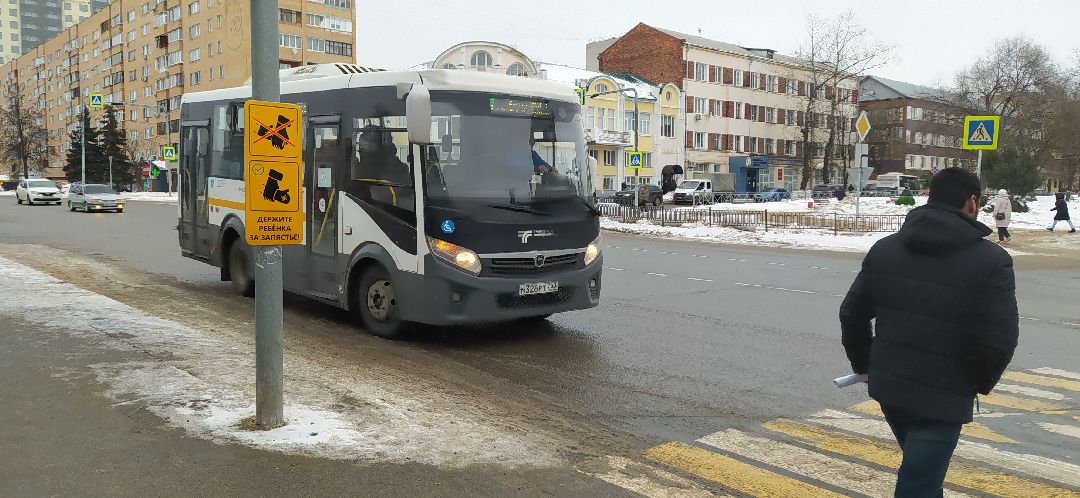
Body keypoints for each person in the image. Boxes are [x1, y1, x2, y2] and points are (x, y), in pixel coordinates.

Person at [839, 167, 1018, 498]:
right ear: (972, 202)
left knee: (921, 473)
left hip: (891, 387)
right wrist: (975, 383)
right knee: (919, 484)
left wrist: (866, 366)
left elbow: (852, 314)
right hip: (945, 395)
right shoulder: (992, 260)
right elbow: (1000, 339)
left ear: (930, 198)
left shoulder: (885, 248)